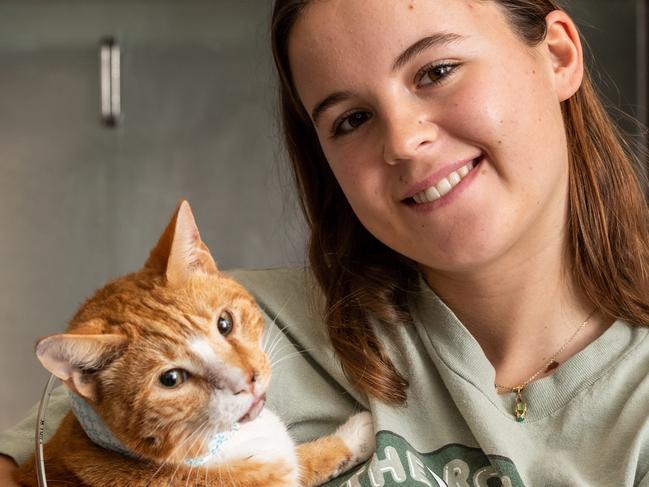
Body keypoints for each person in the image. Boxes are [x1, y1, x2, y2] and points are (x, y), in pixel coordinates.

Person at [2, 0, 649, 485]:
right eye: (351, 119)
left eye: (437, 70)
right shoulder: (247, 319)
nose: (400, 140)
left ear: (558, 55)